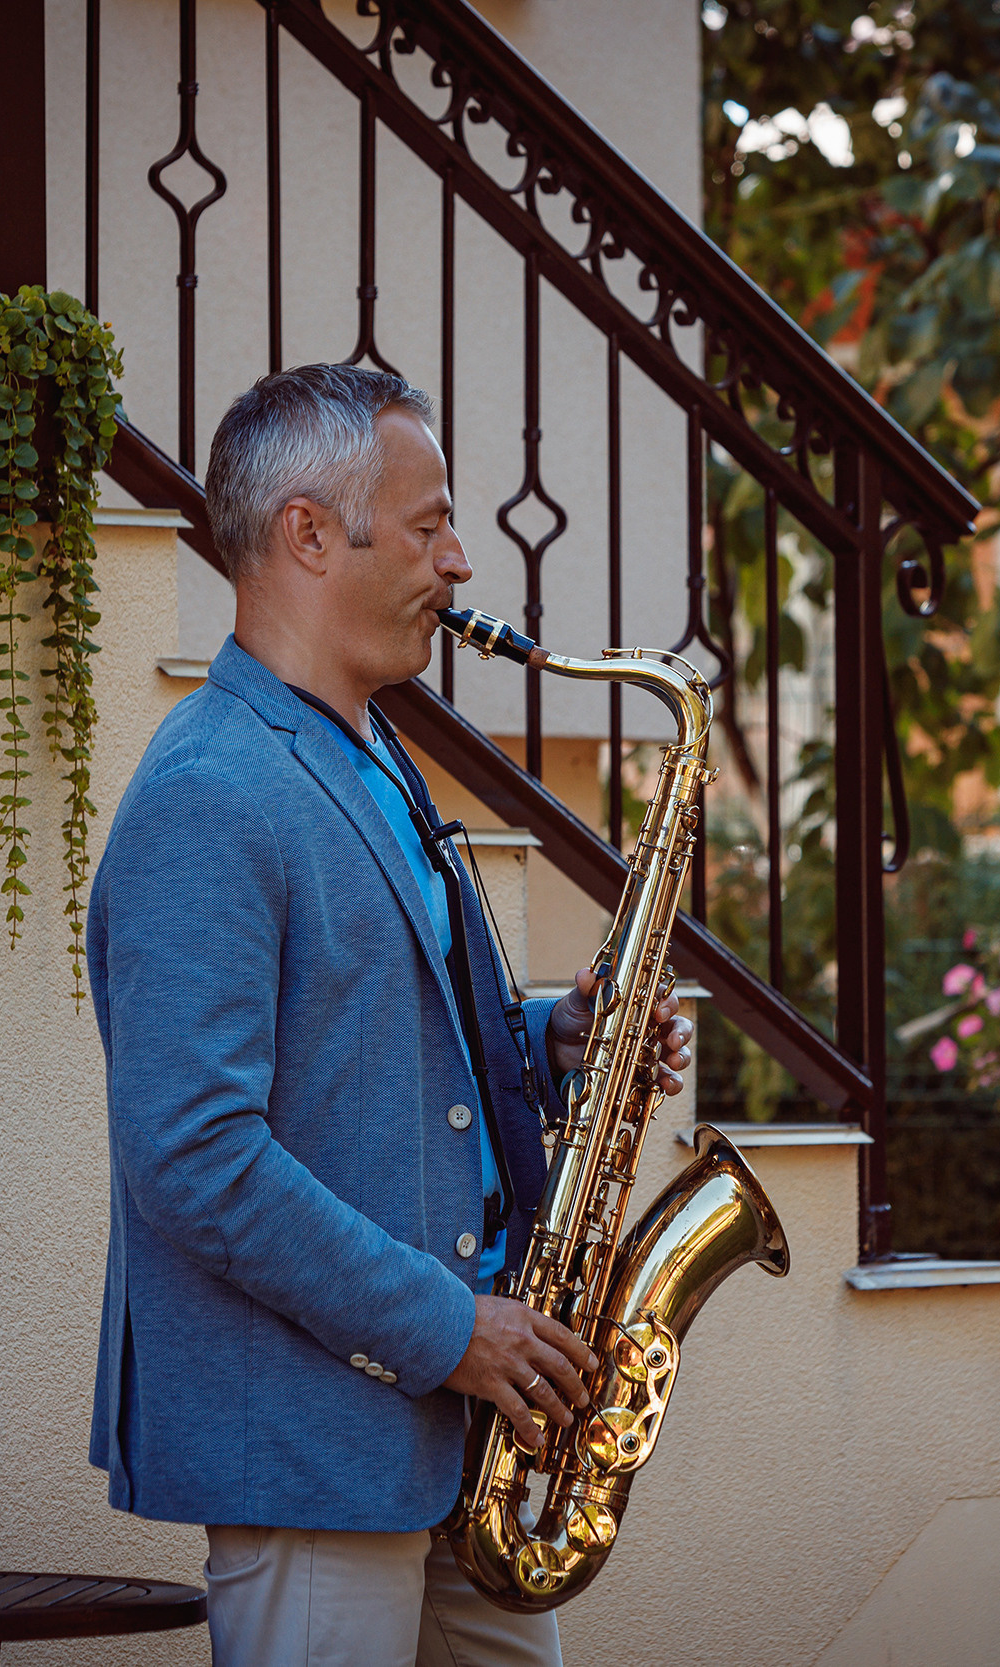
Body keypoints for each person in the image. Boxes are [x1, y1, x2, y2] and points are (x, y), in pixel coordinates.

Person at [87, 363, 695, 1667]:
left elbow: (374, 1044)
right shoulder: (212, 789)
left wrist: (556, 1044)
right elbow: (191, 1150)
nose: (461, 561)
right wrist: (449, 1329)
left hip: (454, 1449)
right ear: (309, 533)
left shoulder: (363, 752)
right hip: (318, 1451)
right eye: (428, 527)